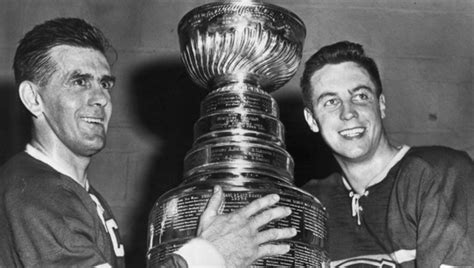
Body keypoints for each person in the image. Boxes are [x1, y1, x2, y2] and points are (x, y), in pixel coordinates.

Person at [0, 18, 296, 267]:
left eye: (104, 83)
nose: (100, 98)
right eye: (79, 82)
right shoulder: (35, 191)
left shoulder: (80, 195)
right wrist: (208, 254)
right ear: (33, 98)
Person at [300, 41, 474, 266]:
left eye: (360, 96)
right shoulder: (310, 203)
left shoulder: (439, 173)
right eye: (331, 102)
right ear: (312, 120)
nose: (348, 113)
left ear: (381, 105)